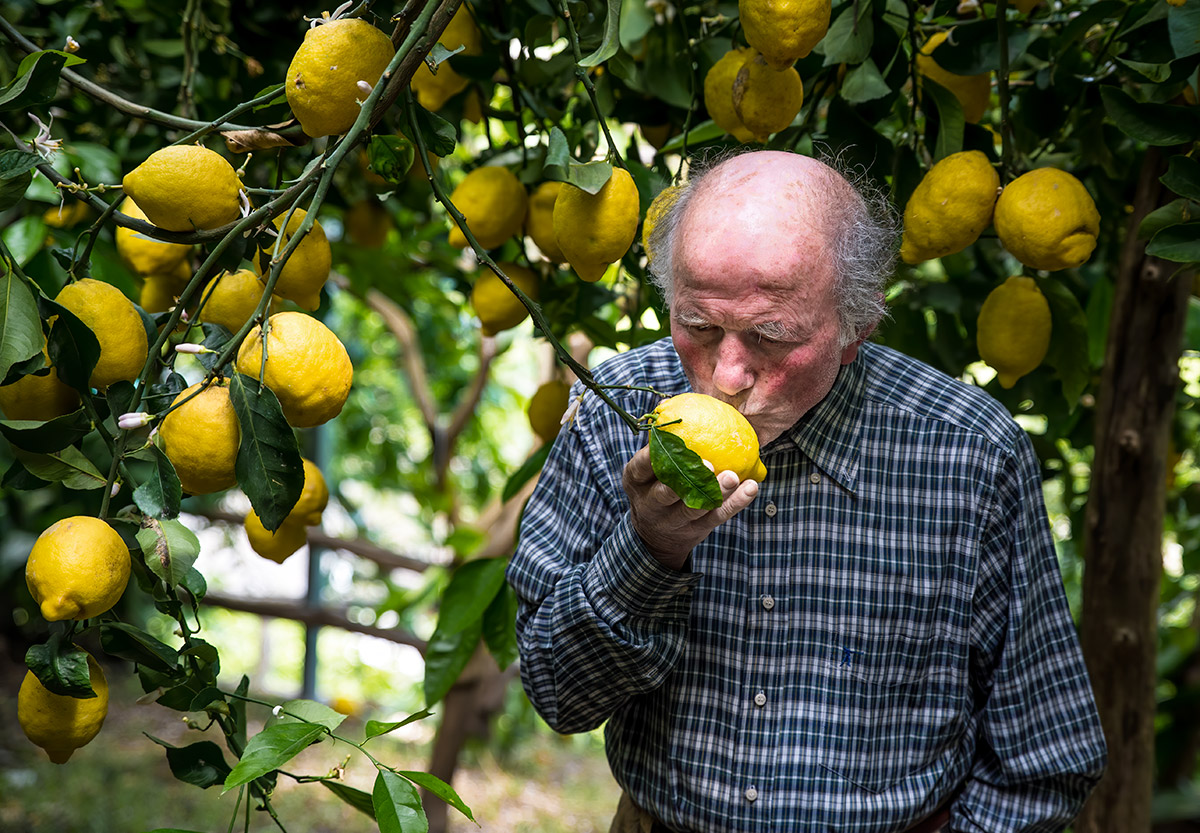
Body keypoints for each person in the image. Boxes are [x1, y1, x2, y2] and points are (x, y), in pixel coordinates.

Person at [506, 150, 1106, 833]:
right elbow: (558, 693)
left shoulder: (968, 452)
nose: (726, 376)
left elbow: (1048, 757)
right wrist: (649, 550)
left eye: (770, 334)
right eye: (698, 325)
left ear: (857, 328)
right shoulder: (616, 411)